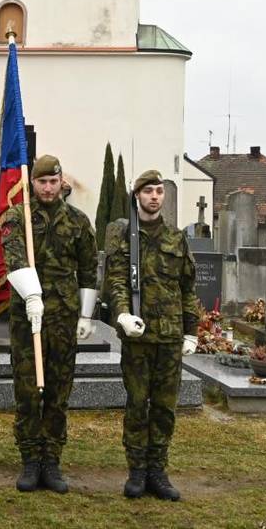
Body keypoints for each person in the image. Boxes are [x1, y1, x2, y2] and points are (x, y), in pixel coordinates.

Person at [1, 155, 98, 493]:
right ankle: (30, 460)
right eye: (41, 182)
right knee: (27, 392)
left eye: (52, 181)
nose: (47, 187)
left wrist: (86, 315)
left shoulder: (78, 222)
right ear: (34, 183)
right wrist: (31, 295)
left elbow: (89, 269)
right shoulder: (17, 217)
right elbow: (13, 260)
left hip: (63, 319)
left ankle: (52, 460)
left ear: (60, 183)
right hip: (27, 319)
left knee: (58, 393)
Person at [103, 170, 198, 501]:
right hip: (138, 337)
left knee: (164, 407)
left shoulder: (176, 238)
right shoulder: (123, 235)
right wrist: (121, 316)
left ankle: (158, 469)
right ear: (137, 195)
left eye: (159, 191)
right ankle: (137, 470)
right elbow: (114, 280)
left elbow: (188, 287)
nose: (155, 196)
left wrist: (192, 332)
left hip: (170, 337)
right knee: (137, 405)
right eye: (148, 191)